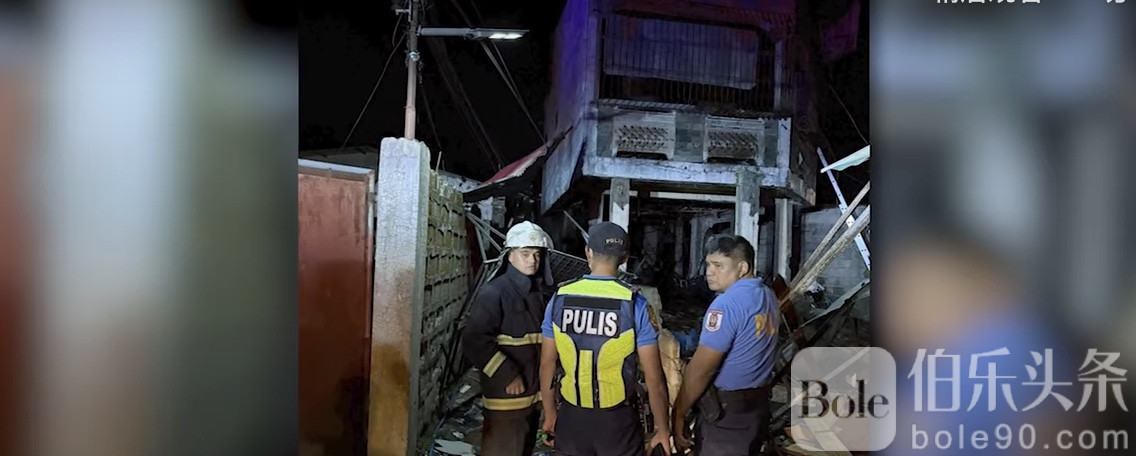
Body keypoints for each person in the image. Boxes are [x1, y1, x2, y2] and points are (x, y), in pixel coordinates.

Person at [538, 222, 672, 456]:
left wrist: (550, 414)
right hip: (618, 423)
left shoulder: (560, 298)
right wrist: (662, 429)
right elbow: (654, 378)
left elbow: (547, 363)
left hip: (571, 418)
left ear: (588, 252)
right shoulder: (634, 303)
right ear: (624, 258)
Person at [672, 234, 780, 456]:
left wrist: (679, 412)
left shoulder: (726, 305)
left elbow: (702, 370)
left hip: (728, 415)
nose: (709, 272)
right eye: (708, 264)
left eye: (718, 265)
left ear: (742, 268)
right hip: (757, 407)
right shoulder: (768, 296)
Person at [462, 221, 556, 456]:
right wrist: (507, 374)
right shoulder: (494, 292)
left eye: (537, 254)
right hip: (506, 400)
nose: (532, 260)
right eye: (525, 254)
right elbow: (473, 340)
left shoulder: (538, 293)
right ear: (509, 256)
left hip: (531, 398)